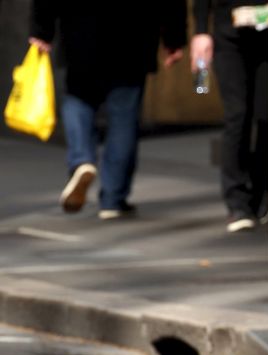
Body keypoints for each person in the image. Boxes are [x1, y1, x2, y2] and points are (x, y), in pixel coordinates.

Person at [29, 0, 187, 220]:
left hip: (80, 35)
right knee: (124, 117)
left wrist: (41, 30)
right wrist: (175, 37)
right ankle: (113, 199)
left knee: (78, 100)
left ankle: (81, 158)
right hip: (133, 38)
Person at [191, 1, 268, 233]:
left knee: (267, 117)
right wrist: (200, 32)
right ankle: (237, 202)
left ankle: (260, 190)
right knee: (237, 116)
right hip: (228, 36)